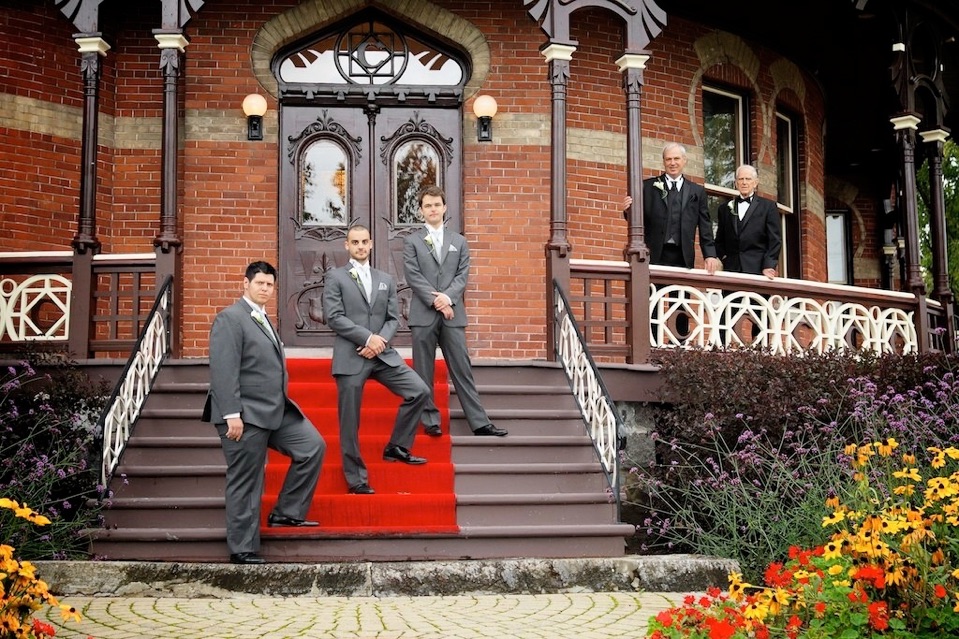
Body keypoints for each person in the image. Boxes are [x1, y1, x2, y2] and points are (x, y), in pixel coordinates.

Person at [202, 261, 326, 565]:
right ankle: (242, 548)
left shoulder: (263, 318)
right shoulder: (230, 318)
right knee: (247, 479)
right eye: (260, 283)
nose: (265, 289)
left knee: (312, 447)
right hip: (243, 413)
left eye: (270, 285)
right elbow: (223, 369)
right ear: (246, 284)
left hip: (275, 409)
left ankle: (287, 513)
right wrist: (231, 413)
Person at [322, 224, 432, 496]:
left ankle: (396, 446)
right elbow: (333, 316)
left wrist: (379, 340)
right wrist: (366, 338)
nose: (360, 246)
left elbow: (393, 318)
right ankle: (356, 478)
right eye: (355, 242)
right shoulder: (336, 277)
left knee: (419, 391)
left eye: (364, 242)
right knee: (350, 422)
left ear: (371, 244)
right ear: (347, 246)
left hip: (382, 354)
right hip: (351, 355)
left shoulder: (385, 278)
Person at [402, 185, 507, 438]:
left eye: (436, 204)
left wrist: (448, 299)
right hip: (423, 315)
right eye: (427, 205)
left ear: (444, 207)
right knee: (423, 371)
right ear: (421, 211)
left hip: (453, 314)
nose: (433, 209)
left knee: (462, 368)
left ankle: (480, 422)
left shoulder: (459, 241)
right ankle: (429, 420)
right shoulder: (411, 241)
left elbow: (462, 275)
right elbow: (412, 276)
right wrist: (437, 301)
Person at [623, 142, 721, 273]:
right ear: (664, 162)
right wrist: (628, 210)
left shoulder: (697, 191)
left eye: (676, 159)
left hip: (683, 255)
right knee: (653, 293)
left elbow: (705, 226)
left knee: (680, 293)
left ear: (684, 160)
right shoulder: (647, 187)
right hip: (654, 253)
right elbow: (636, 218)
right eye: (668, 159)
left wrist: (710, 255)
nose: (672, 163)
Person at [715, 164, 782, 278]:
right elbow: (720, 239)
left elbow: (774, 240)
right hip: (731, 271)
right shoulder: (725, 208)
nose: (744, 182)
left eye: (748, 179)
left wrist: (769, 265)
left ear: (755, 183)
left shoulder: (768, 207)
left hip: (758, 270)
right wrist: (724, 257)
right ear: (736, 183)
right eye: (741, 179)